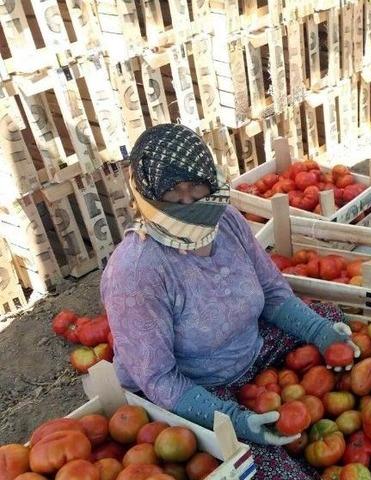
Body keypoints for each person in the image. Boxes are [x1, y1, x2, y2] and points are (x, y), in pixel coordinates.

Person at [100, 123, 357, 479]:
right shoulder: (137, 272)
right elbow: (159, 379)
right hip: (196, 388)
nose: (190, 202)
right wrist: (236, 422)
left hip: (251, 348)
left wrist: (321, 332)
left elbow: (272, 292)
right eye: (174, 194)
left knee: (330, 319)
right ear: (147, 197)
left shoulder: (228, 221)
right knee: (272, 469)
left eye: (197, 186)